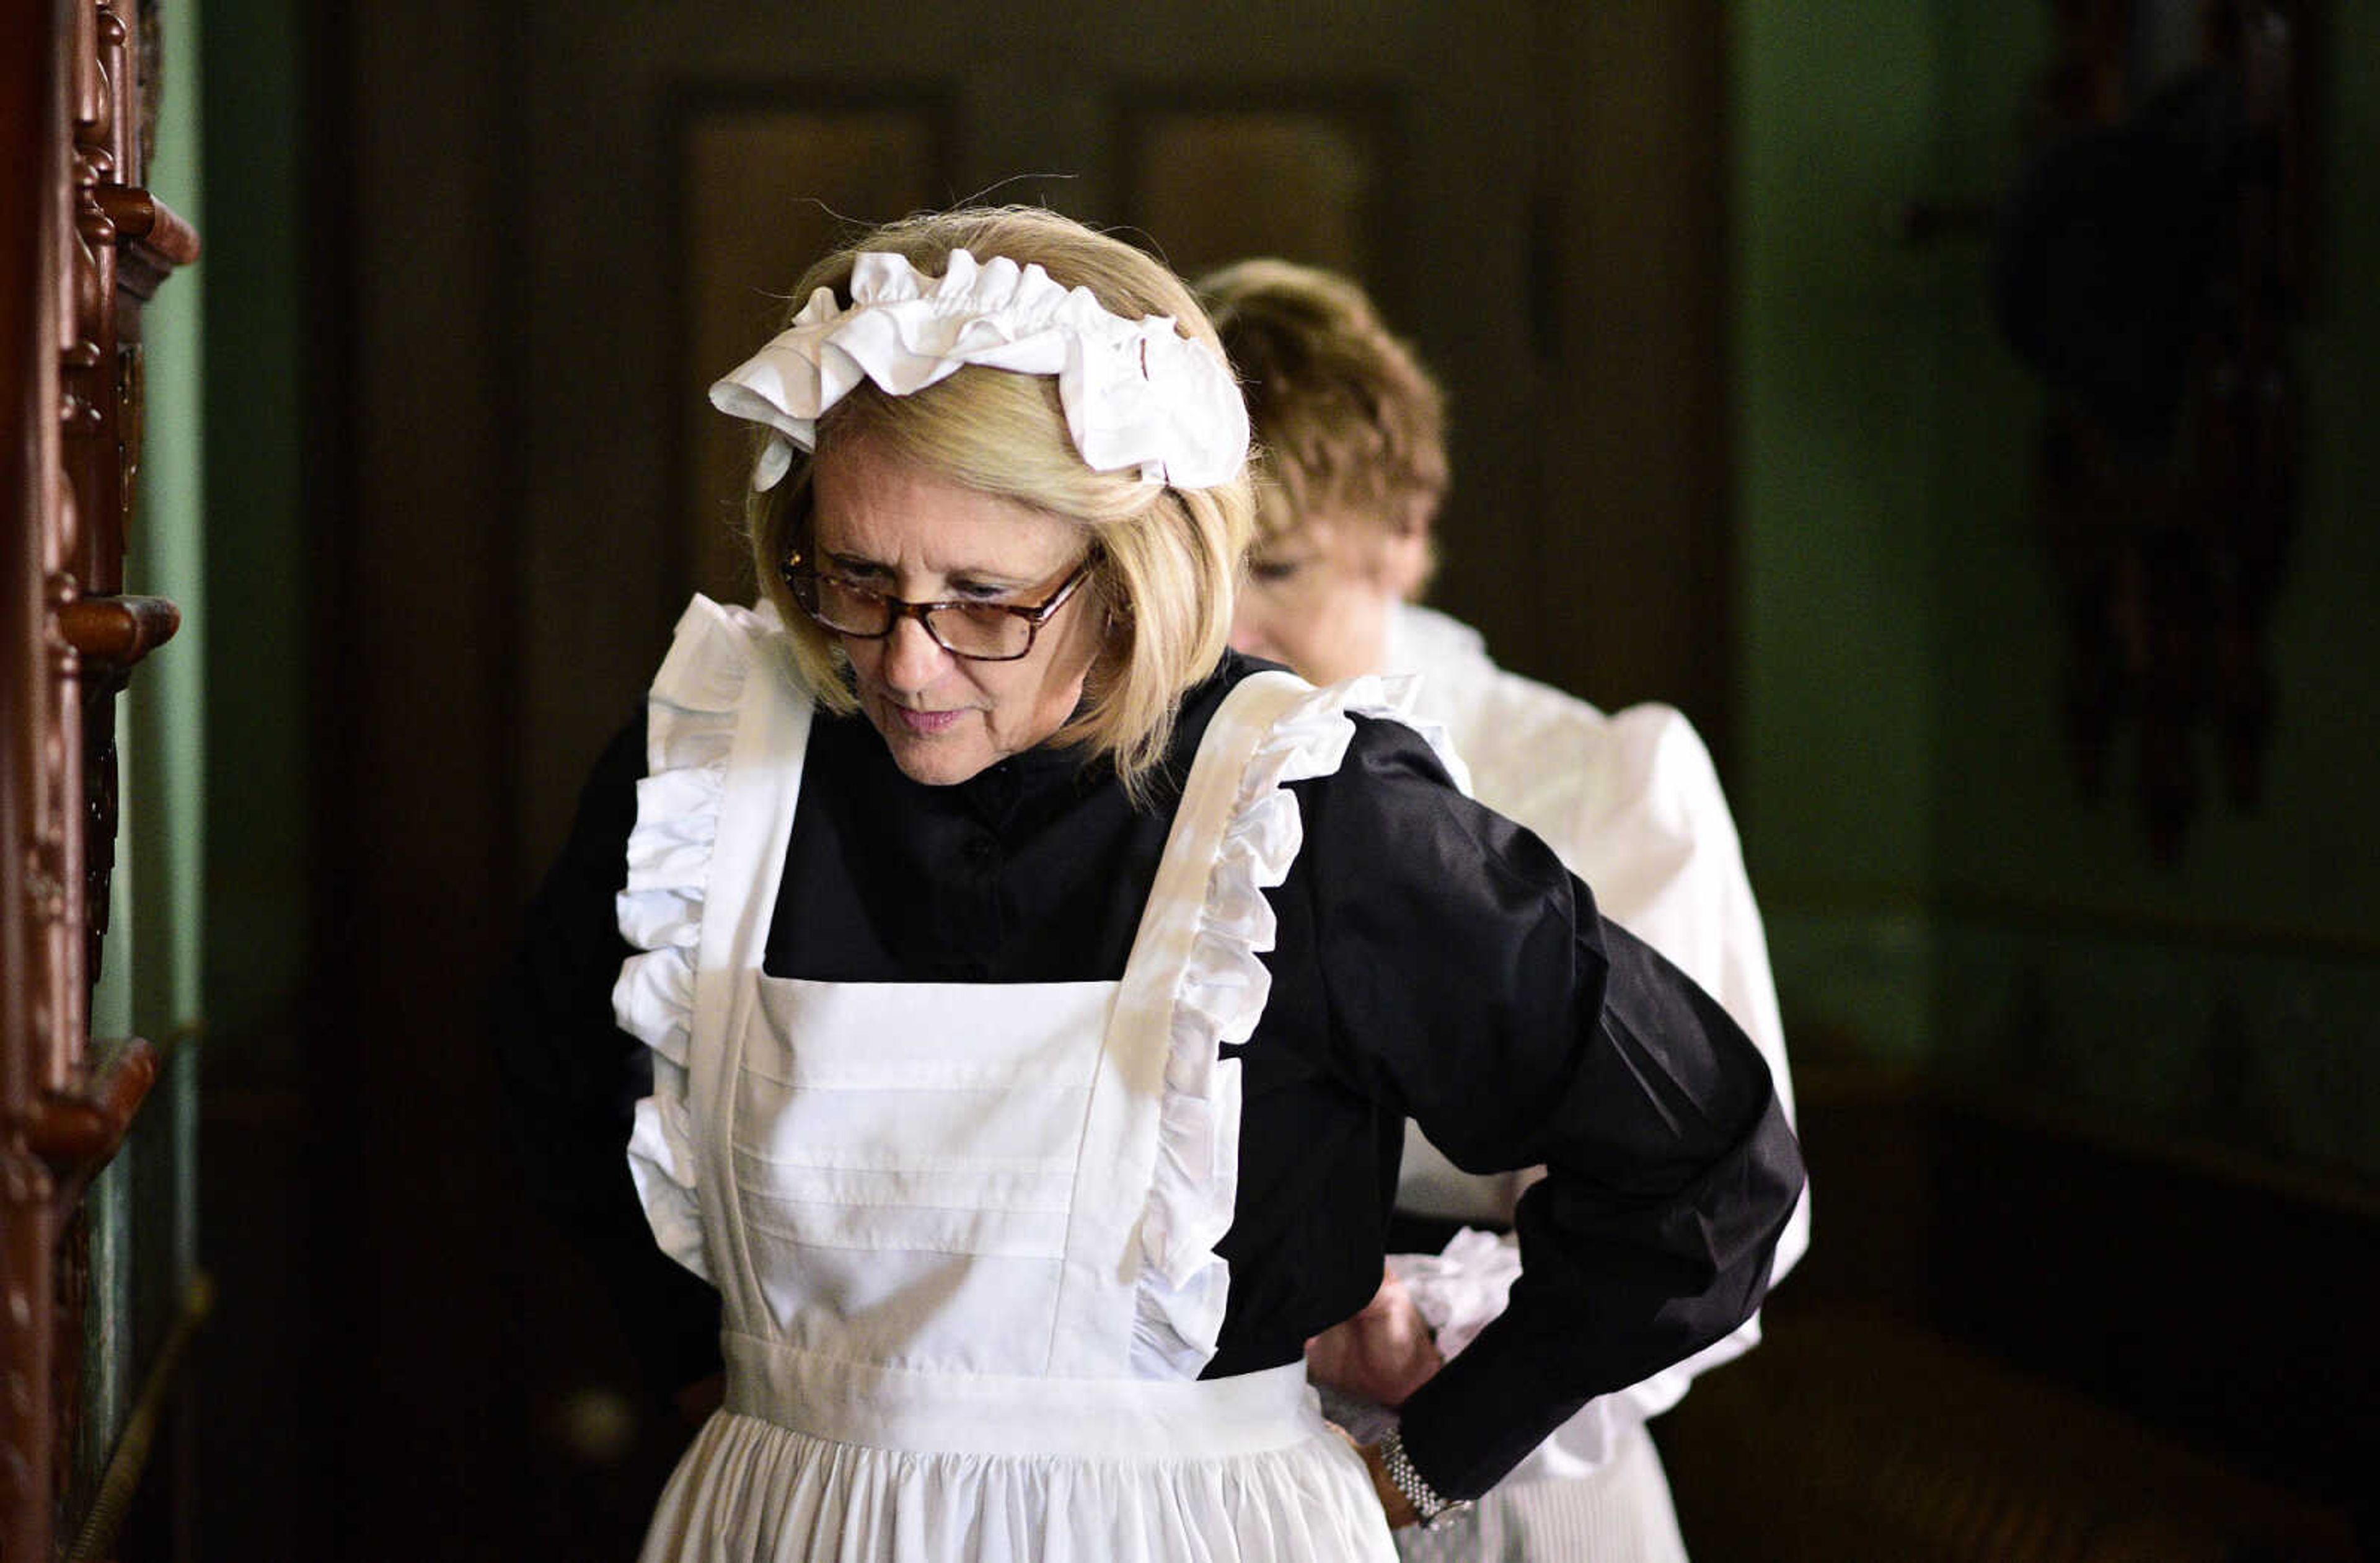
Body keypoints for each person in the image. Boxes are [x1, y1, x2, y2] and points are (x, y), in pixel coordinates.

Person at [496, 206, 1802, 1563]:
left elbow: (1709, 1170)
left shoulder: (1307, 811)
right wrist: (726, 1384)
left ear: (1133, 571)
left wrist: (1422, 1466)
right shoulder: (716, 762)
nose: (906, 664)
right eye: (857, 578)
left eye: (988, 600)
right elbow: (549, 1079)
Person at [1200, 257, 1809, 1562]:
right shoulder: (1164, 781)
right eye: (1204, 561)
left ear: (1405, 537)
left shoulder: (1601, 777)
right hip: (1210, 1473)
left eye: (1283, 567)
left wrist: (1426, 1347)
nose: (1232, 624)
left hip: (1524, 1471)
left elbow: (1734, 1211)